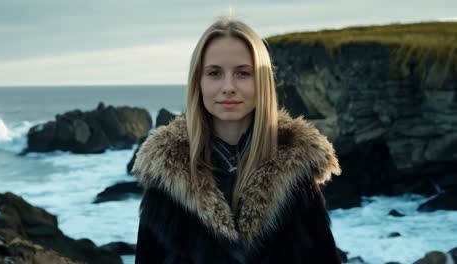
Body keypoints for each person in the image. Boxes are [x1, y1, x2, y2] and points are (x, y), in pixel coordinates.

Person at [132, 17, 342, 264]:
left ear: (261, 82)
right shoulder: (165, 180)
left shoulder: (297, 176)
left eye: (243, 73)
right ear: (198, 82)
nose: (228, 86)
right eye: (214, 73)